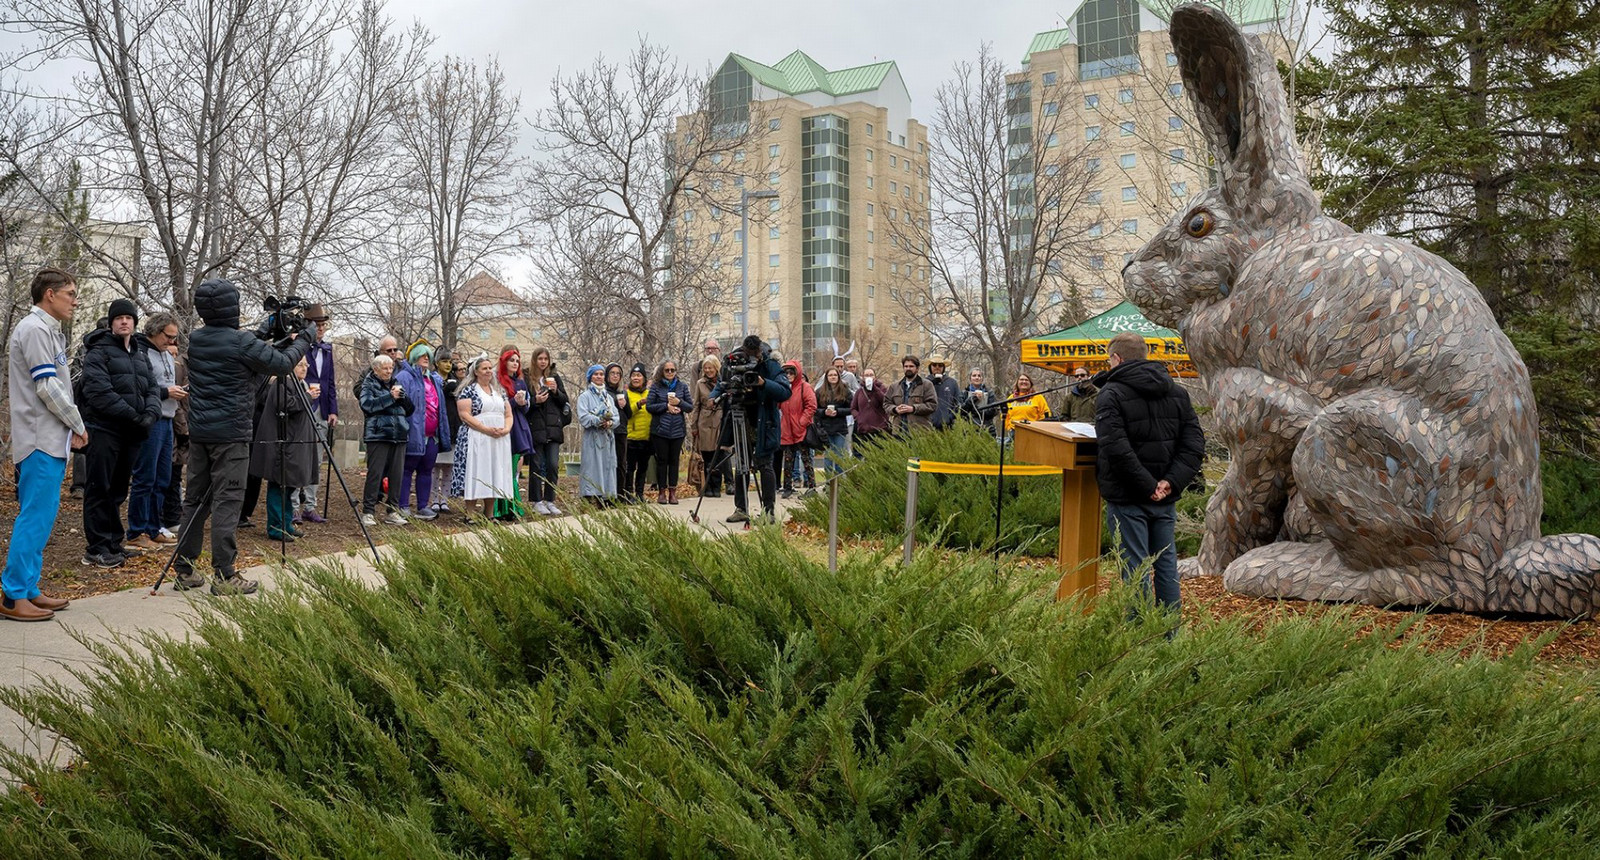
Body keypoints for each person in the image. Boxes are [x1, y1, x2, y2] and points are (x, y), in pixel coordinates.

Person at [174, 278, 315, 595]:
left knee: (196, 500)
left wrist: (264, 334)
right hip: (232, 435)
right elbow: (280, 364)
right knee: (228, 500)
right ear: (232, 308)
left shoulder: (197, 339)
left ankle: (185, 570)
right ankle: (224, 576)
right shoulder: (240, 343)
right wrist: (305, 338)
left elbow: (242, 349)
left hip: (201, 433)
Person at [1095, 332, 1206, 618]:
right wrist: (1170, 482)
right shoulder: (1177, 392)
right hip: (1164, 495)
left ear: (1116, 358)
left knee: (1135, 568)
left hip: (1129, 495)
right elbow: (1193, 445)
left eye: (1110, 360)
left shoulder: (1112, 393)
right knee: (1166, 565)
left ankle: (1138, 638)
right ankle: (1170, 635)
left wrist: (1149, 486)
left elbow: (1115, 448)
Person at [2, 268, 85, 621]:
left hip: (50, 439)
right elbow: (47, 387)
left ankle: (30, 588)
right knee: (34, 517)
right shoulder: (34, 329)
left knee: (43, 516)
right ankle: (12, 595)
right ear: (49, 294)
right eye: (70, 293)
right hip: (39, 438)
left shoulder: (48, 331)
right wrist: (78, 423)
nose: (75, 300)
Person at [79, 298, 162, 567]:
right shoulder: (98, 352)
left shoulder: (139, 354)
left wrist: (149, 415)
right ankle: (97, 547)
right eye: (119, 318)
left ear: (135, 322)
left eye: (129, 317)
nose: (124, 321)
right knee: (99, 489)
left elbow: (152, 388)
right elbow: (99, 393)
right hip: (104, 431)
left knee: (117, 491)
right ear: (111, 323)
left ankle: (114, 542)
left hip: (132, 433)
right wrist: (134, 417)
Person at [711, 334, 789, 523]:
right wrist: (714, 396)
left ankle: (768, 511)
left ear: (760, 352)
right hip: (740, 417)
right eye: (748, 354)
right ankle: (741, 508)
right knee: (742, 466)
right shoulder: (733, 361)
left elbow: (785, 391)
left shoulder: (771, 364)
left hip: (764, 422)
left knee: (765, 466)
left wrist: (763, 383)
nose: (752, 358)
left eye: (755, 354)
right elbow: (723, 384)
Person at [125, 312, 185, 552]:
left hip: (169, 419)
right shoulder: (141, 353)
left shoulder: (167, 354)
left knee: (162, 478)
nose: (171, 342)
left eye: (174, 338)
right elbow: (140, 389)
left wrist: (176, 391)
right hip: (152, 420)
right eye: (168, 336)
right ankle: (136, 530)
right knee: (145, 477)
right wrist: (165, 393)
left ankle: (154, 526)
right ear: (155, 331)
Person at [248, 357, 319, 541]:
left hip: (294, 444)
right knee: (279, 485)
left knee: (290, 487)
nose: (304, 368)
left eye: (306, 365)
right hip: (283, 445)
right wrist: (308, 397)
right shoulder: (281, 382)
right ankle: (275, 528)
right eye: (300, 364)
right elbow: (285, 405)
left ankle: (286, 524)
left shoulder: (297, 383)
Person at [451, 355, 514, 520]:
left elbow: (508, 414)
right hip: (477, 437)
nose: (488, 371)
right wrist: (485, 429)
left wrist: (506, 429)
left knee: (493, 472)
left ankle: (489, 513)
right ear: (476, 372)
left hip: (498, 439)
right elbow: (464, 414)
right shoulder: (469, 390)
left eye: (489, 368)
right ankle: (470, 514)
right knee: (476, 472)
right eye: (484, 368)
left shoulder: (499, 392)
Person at [396, 344, 452, 521]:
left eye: (428, 356)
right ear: (414, 357)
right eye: (422, 356)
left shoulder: (433, 380)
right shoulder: (404, 377)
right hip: (412, 433)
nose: (426, 358)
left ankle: (422, 506)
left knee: (426, 470)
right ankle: (403, 506)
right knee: (406, 469)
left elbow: (440, 408)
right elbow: (399, 406)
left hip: (432, 436)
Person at [357, 354, 414, 527]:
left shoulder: (396, 383)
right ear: (375, 369)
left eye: (391, 368)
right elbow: (368, 405)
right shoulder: (368, 384)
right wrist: (390, 397)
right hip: (378, 435)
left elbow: (410, 409)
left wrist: (403, 398)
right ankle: (368, 512)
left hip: (399, 435)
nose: (389, 371)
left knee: (397, 475)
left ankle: (393, 511)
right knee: (375, 474)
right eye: (385, 368)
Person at [296, 304, 337, 524]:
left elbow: (330, 383)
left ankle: (310, 506)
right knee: (297, 458)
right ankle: (293, 507)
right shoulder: (299, 346)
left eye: (322, 325)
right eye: (316, 325)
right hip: (302, 404)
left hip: (321, 407)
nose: (320, 329)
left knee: (316, 460)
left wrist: (333, 410)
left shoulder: (328, 350)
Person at [523, 347, 569, 516]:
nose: (543, 361)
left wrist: (556, 391)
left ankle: (550, 499)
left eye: (546, 359)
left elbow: (565, 400)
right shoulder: (527, 377)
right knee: (535, 465)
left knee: (552, 465)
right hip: (536, 427)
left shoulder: (554, 377)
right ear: (535, 360)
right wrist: (536, 400)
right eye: (540, 358)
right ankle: (537, 501)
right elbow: (525, 403)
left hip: (553, 427)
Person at [645, 358, 694, 505]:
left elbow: (690, 407)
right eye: (667, 370)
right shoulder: (656, 386)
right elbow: (649, 406)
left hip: (678, 430)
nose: (670, 372)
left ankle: (673, 492)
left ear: (676, 371)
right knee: (662, 461)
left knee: (674, 462)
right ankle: (661, 492)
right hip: (660, 430)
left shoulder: (682, 386)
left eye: (672, 370)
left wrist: (679, 402)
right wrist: (666, 406)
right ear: (662, 371)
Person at [493, 347, 533, 520]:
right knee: (502, 468)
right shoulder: (497, 381)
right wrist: (514, 402)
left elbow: (526, 409)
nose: (515, 364)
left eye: (517, 361)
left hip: (519, 429)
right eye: (512, 360)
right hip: (503, 426)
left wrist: (523, 403)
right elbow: (497, 406)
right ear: (504, 362)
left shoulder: (521, 382)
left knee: (513, 469)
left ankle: (513, 507)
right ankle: (500, 508)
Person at [576, 364, 620, 505]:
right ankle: (590, 495)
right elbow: (583, 417)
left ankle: (606, 496)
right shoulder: (585, 396)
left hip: (607, 438)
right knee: (592, 466)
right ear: (591, 377)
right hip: (592, 438)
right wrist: (598, 420)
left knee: (607, 466)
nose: (599, 377)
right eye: (596, 374)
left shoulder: (608, 397)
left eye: (601, 374)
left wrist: (610, 423)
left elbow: (617, 416)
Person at [778, 360, 817, 498]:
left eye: (791, 372)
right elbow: (777, 404)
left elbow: (811, 405)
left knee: (806, 459)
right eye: (786, 372)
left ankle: (812, 486)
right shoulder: (784, 388)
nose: (789, 375)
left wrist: (802, 422)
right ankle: (787, 487)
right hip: (788, 429)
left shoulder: (804, 387)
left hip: (801, 429)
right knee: (788, 460)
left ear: (797, 373)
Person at [162, 343, 189, 539]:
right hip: (173, 427)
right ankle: (167, 518)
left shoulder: (187, 365)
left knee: (176, 473)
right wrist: (184, 429)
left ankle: (172, 516)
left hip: (181, 427)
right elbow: (176, 402)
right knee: (168, 474)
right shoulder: (179, 367)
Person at [690, 355, 726, 497]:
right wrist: (694, 426)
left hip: (719, 420)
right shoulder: (700, 383)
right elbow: (696, 405)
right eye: (706, 368)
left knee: (718, 456)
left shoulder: (723, 382)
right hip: (704, 422)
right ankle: (708, 486)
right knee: (706, 457)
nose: (708, 370)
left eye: (710, 367)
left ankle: (717, 486)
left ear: (716, 368)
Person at [621, 363, 653, 502]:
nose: (636, 378)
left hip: (647, 437)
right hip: (631, 437)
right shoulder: (626, 394)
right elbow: (626, 413)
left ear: (644, 379)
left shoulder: (650, 393)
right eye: (633, 375)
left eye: (639, 375)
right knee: (630, 468)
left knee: (643, 468)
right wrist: (638, 404)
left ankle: (640, 494)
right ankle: (629, 493)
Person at [814, 367, 853, 475]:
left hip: (840, 428)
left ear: (838, 376)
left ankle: (840, 484)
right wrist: (824, 412)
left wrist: (838, 411)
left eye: (835, 375)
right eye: (830, 375)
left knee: (840, 457)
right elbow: (814, 410)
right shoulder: (819, 392)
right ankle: (829, 485)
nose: (833, 377)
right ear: (826, 377)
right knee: (828, 458)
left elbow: (852, 408)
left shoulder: (845, 391)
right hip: (825, 429)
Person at [885, 355, 937, 435]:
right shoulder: (894, 386)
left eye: (911, 366)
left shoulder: (926, 385)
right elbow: (886, 404)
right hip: (898, 432)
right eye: (906, 366)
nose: (908, 368)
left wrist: (913, 408)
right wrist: (895, 409)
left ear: (917, 368)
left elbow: (932, 405)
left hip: (920, 433)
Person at [604, 363, 629, 498]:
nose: (615, 376)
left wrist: (624, 406)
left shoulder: (623, 392)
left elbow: (629, 414)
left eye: (618, 373)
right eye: (612, 373)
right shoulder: (604, 392)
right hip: (608, 431)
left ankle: (620, 494)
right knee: (608, 464)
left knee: (621, 464)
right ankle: (608, 495)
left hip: (621, 431)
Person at [849, 368, 890, 447]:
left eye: (871, 375)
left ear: (875, 377)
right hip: (864, 429)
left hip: (880, 428)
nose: (869, 377)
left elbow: (884, 401)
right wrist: (859, 417)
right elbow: (853, 408)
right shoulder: (859, 391)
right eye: (866, 375)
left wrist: (874, 388)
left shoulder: (882, 389)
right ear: (863, 377)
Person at [926, 354, 960, 430]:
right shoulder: (924, 383)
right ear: (930, 367)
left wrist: (950, 418)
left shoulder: (952, 382)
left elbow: (957, 403)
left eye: (940, 365)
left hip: (948, 426)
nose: (937, 367)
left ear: (943, 367)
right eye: (934, 365)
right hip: (928, 425)